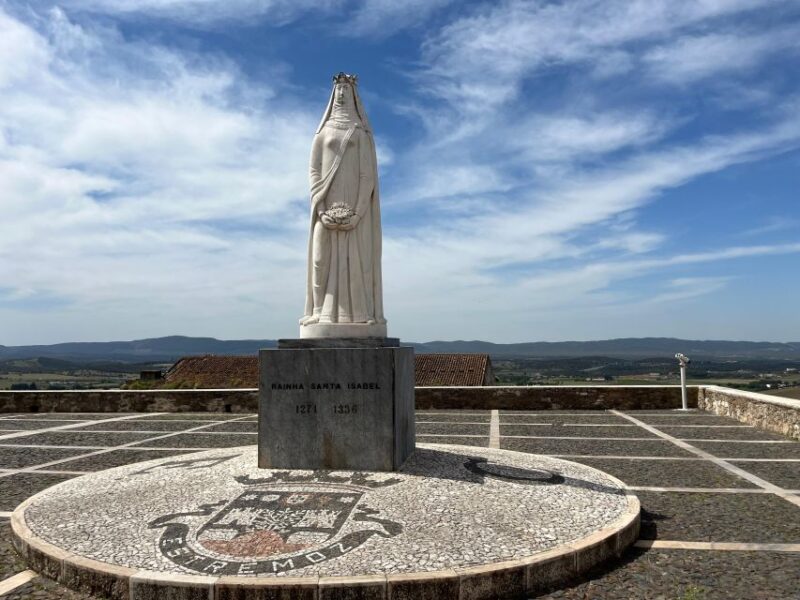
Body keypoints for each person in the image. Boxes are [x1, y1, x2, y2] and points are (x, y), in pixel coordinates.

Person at [300, 73, 385, 331]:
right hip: (326, 210)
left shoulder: (359, 133)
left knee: (359, 261)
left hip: (355, 213)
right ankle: (317, 311)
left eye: (346, 89)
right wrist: (322, 209)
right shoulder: (322, 132)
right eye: (338, 88)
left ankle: (362, 313)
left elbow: (366, 175)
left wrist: (358, 213)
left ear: (353, 95)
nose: (341, 93)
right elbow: (314, 170)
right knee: (319, 260)